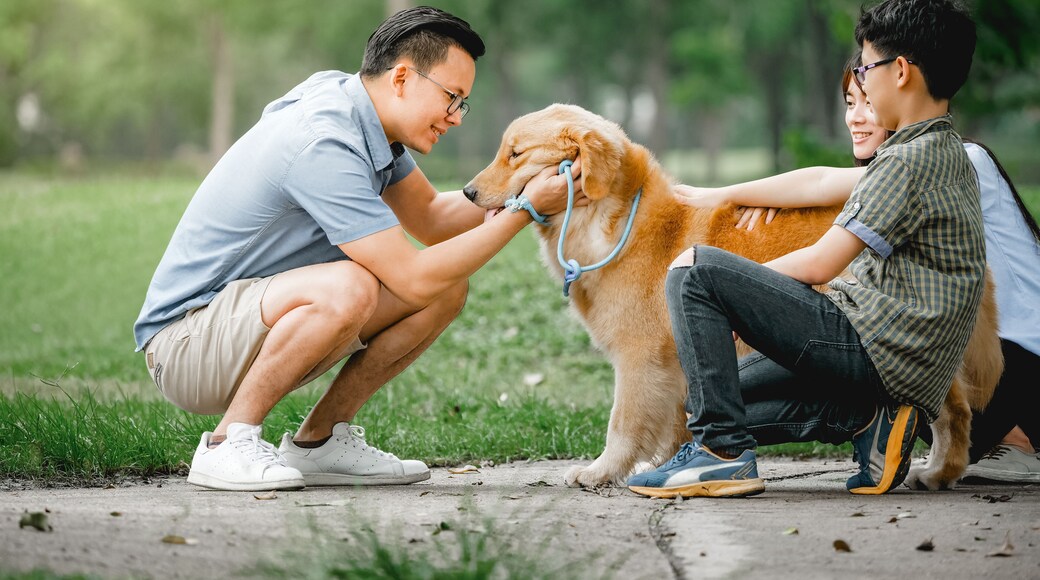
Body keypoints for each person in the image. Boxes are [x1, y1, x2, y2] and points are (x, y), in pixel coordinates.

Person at [133, 6, 583, 492]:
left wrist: (525, 184)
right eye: (452, 98)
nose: (455, 117)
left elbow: (432, 219)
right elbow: (410, 275)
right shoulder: (324, 139)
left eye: (463, 104)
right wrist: (525, 211)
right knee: (352, 286)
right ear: (403, 77)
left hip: (244, 323)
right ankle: (226, 444)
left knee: (445, 287)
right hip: (186, 344)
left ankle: (318, 444)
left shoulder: (364, 115)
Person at [626, 0, 985, 498]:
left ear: (899, 71)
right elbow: (818, 181)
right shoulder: (945, 151)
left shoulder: (903, 163)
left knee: (693, 271)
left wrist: (735, 298)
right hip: (900, 368)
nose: (860, 82)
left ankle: (722, 456)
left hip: (874, 350)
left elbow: (821, 262)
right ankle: (866, 421)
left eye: (865, 67)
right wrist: (727, 195)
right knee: (714, 396)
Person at [684, 51, 1040, 483]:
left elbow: (820, 192)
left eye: (869, 101)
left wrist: (733, 237)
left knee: (789, 363)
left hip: (1018, 369)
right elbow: (821, 185)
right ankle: (864, 420)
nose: (857, 116)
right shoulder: (910, 163)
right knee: (731, 393)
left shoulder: (950, 159)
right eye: (850, 102)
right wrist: (739, 198)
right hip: (954, 357)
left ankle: (1017, 444)